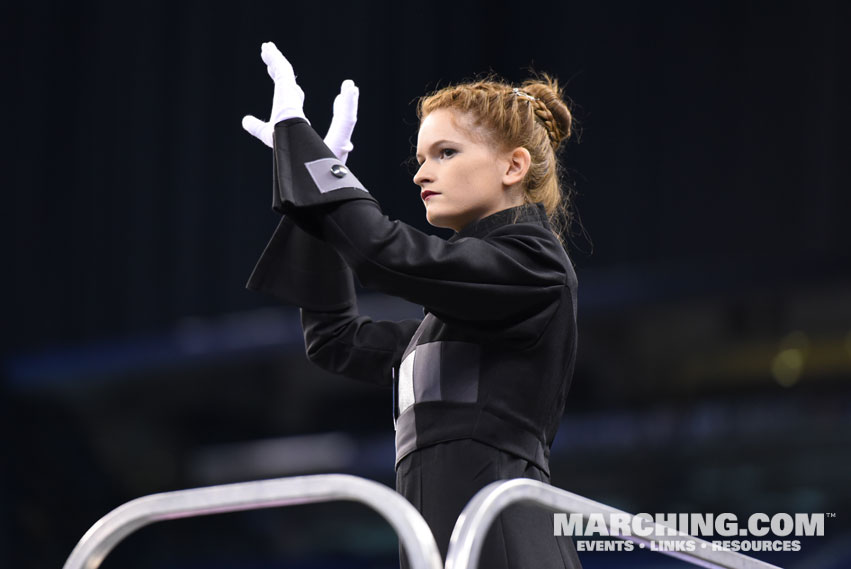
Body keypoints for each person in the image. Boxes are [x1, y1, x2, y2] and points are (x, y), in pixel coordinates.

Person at [241, 42, 582, 569]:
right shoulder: (449, 325)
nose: (421, 174)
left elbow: (385, 256)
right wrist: (313, 209)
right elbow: (334, 340)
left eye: (445, 153)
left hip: (509, 548)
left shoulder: (535, 266)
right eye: (420, 159)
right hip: (437, 553)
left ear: (514, 166)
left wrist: (307, 159)